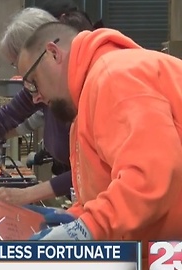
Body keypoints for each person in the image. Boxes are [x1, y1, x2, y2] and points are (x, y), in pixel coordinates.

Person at [18, 21, 182, 245]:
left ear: (54, 54)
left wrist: (88, 228)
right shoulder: (87, 101)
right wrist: (75, 217)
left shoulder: (114, 77)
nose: (36, 97)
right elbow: (105, 189)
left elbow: (150, 175)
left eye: (33, 84)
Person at [0, 6, 94, 203]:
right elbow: (0, 121)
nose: (34, 94)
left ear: (50, 53)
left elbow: (90, 170)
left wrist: (25, 194)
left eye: (25, 69)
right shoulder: (43, 88)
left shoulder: (91, 90)